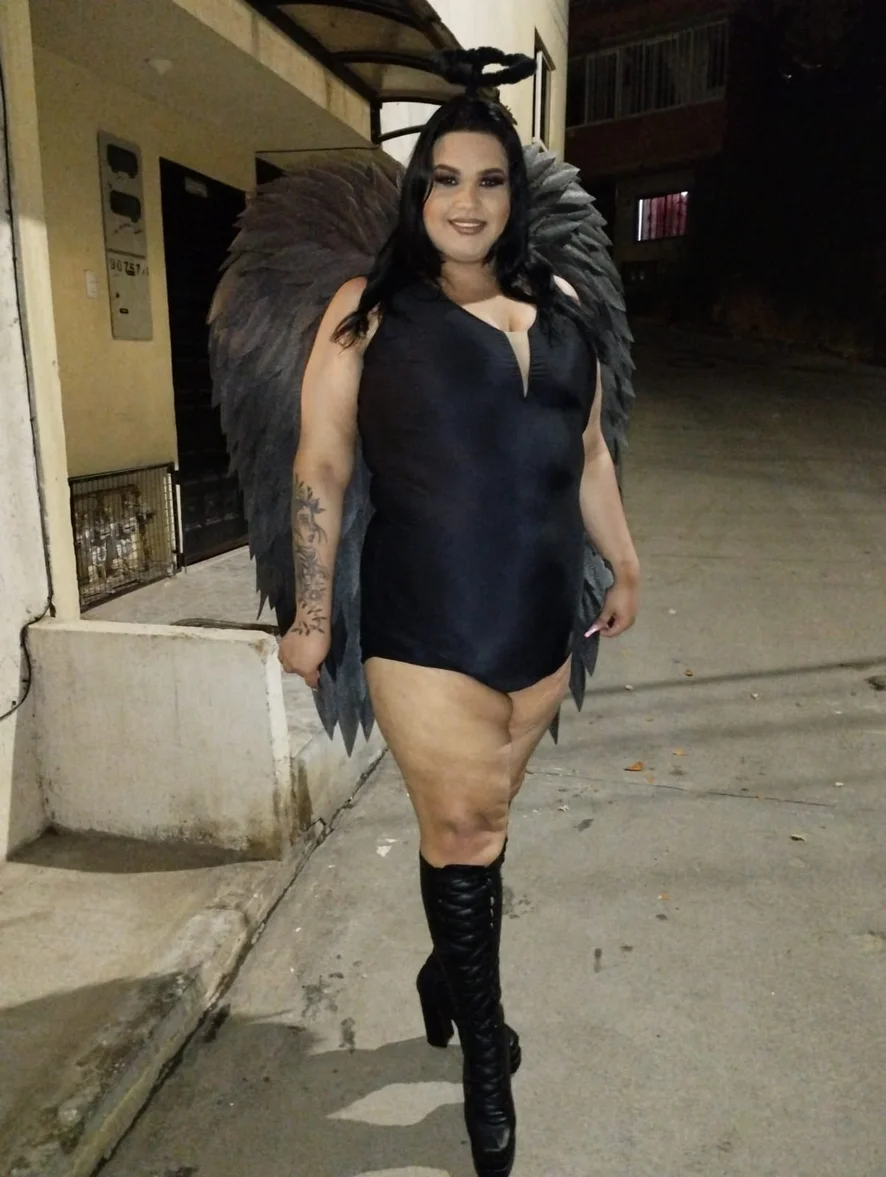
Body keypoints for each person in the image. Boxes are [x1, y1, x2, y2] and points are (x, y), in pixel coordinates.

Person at [273, 76, 640, 1177]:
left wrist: (624, 561)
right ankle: (486, 1060)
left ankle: (448, 968)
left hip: (540, 626)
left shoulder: (561, 299)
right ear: (418, 193)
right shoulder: (368, 310)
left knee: (480, 823)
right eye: (444, 180)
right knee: (469, 827)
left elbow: (587, 451)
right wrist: (310, 615)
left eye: (488, 181)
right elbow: (321, 465)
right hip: (426, 624)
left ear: (514, 197)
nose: (467, 202)